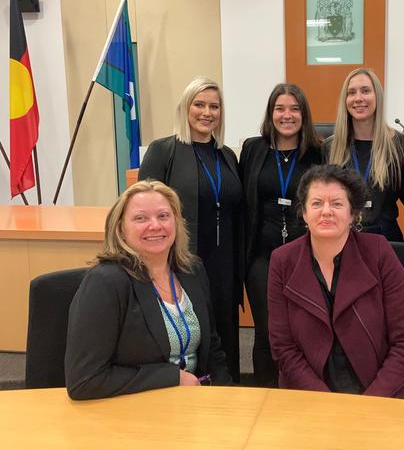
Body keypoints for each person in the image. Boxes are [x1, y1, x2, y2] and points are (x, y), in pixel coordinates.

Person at [65, 180, 231, 400]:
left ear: (176, 223)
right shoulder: (105, 283)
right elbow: (84, 380)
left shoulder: (192, 271)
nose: (155, 225)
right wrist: (173, 378)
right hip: (133, 409)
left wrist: (228, 397)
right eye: (140, 218)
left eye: (163, 216)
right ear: (121, 230)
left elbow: (212, 349)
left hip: (192, 405)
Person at [267, 164, 404, 397]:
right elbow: (284, 348)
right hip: (310, 394)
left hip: (379, 391)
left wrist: (371, 402)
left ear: (354, 213)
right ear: (304, 212)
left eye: (337, 204)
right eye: (317, 203)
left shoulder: (379, 254)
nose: (326, 211)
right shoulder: (282, 261)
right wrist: (325, 403)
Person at [138, 77, 243, 382]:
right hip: (182, 259)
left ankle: (228, 390)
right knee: (188, 329)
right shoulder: (163, 151)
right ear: (185, 107)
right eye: (199, 104)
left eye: (214, 106)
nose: (206, 112)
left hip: (223, 261)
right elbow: (141, 210)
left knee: (224, 331)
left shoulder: (227, 156)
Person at [240, 83, 322, 387]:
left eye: (294, 109)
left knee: (304, 330)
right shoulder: (253, 149)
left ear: (304, 114)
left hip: (308, 256)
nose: (287, 115)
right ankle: (265, 392)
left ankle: (303, 393)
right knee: (266, 331)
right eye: (280, 108)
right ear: (270, 113)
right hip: (263, 255)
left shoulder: (318, 151)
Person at [324, 68, 404, 241]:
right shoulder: (330, 146)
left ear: (377, 96)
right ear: (345, 100)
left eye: (365, 91)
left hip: (387, 241)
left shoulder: (401, 144)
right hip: (342, 240)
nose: (358, 98)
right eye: (351, 93)